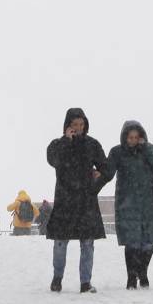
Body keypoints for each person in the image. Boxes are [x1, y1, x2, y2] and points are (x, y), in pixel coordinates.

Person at [45, 107, 113, 294]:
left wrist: (96, 183)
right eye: (75, 124)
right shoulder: (57, 144)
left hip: (86, 201)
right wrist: (66, 141)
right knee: (60, 243)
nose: (78, 128)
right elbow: (53, 160)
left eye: (82, 124)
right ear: (67, 125)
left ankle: (85, 282)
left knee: (87, 244)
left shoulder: (92, 144)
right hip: (64, 201)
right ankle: (57, 279)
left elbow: (107, 169)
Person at [106, 120, 153, 290]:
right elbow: (107, 172)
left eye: (136, 137)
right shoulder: (117, 152)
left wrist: (146, 147)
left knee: (149, 243)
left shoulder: (148, 149)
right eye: (130, 137)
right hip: (127, 203)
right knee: (132, 243)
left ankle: (143, 272)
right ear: (125, 138)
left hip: (149, 203)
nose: (133, 140)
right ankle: (131, 277)